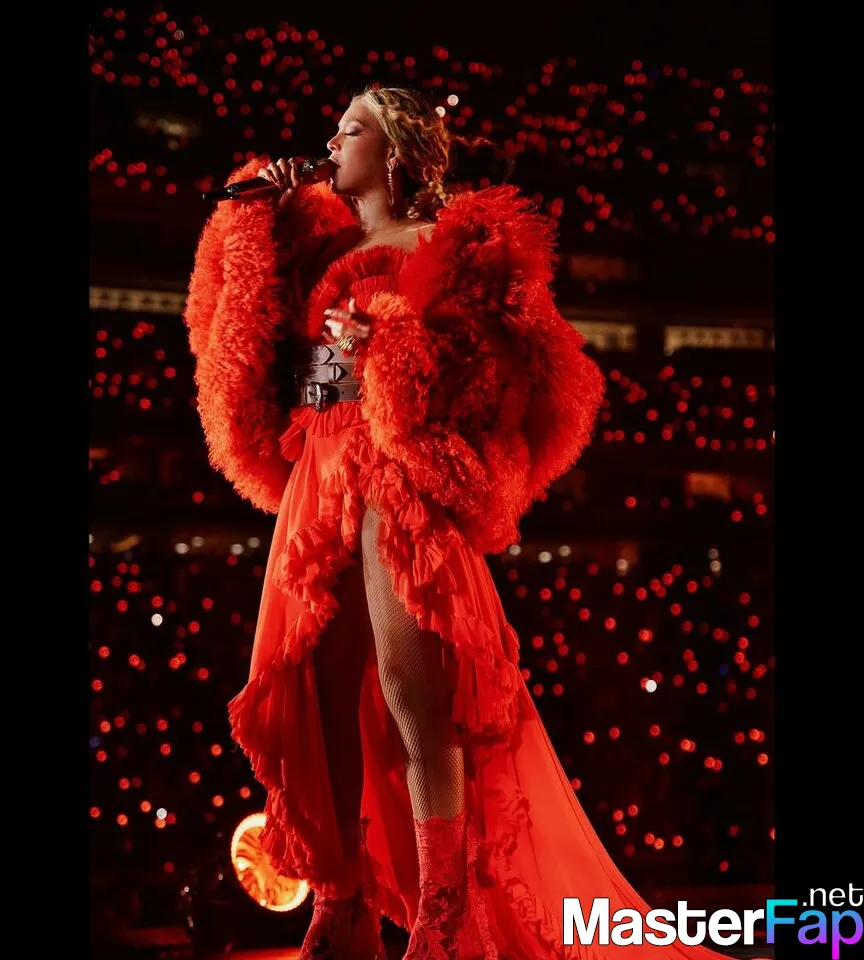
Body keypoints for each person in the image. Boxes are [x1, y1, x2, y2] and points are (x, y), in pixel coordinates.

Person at [185, 87, 726, 959]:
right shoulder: (317, 245)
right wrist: (252, 212)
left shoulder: (453, 245)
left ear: (397, 151)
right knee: (320, 688)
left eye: (352, 129)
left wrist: (389, 352)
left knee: (413, 693)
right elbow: (234, 335)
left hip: (400, 467)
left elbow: (498, 378)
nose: (332, 141)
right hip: (320, 461)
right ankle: (341, 901)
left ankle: (442, 912)